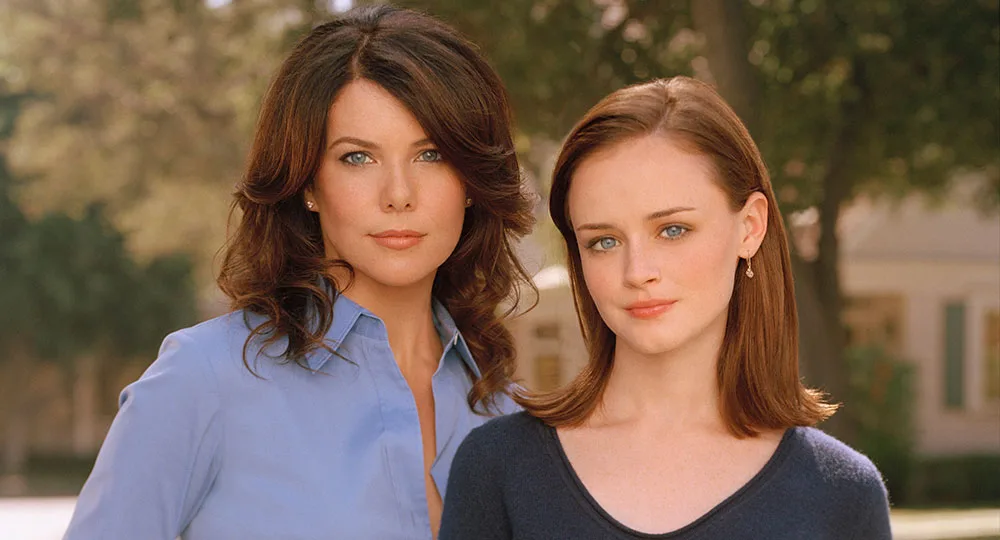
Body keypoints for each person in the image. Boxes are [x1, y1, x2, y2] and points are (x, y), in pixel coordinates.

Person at [63, 5, 534, 540]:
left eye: (431, 155)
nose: (399, 194)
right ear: (308, 183)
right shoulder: (202, 381)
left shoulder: (507, 411)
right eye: (358, 158)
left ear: (471, 181)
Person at [439, 76, 891, 540]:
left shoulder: (840, 494)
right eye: (604, 241)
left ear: (750, 227)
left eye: (673, 230)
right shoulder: (498, 470)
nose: (638, 271)